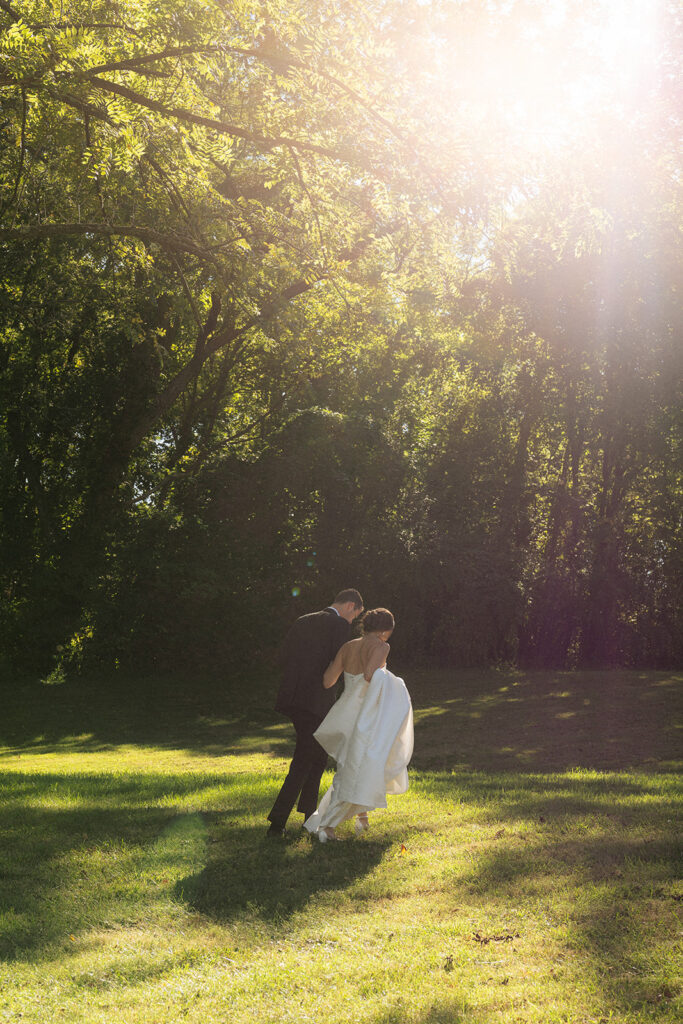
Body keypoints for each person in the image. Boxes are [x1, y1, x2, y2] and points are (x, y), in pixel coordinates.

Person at [303, 608, 413, 843]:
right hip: (365, 714)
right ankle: (327, 826)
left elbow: (328, 680)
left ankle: (361, 818)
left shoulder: (348, 646)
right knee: (359, 765)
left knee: (353, 765)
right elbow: (370, 676)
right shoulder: (382, 646)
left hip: (344, 711)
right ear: (385, 630)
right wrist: (395, 682)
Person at [266, 588, 364, 837]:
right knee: (304, 758)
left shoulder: (303, 620)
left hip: (292, 697)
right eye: (355, 617)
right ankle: (277, 823)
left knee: (318, 755)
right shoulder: (339, 625)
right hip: (316, 700)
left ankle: (309, 816)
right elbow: (337, 664)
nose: (352, 622)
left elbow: (281, 657)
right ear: (350, 606)